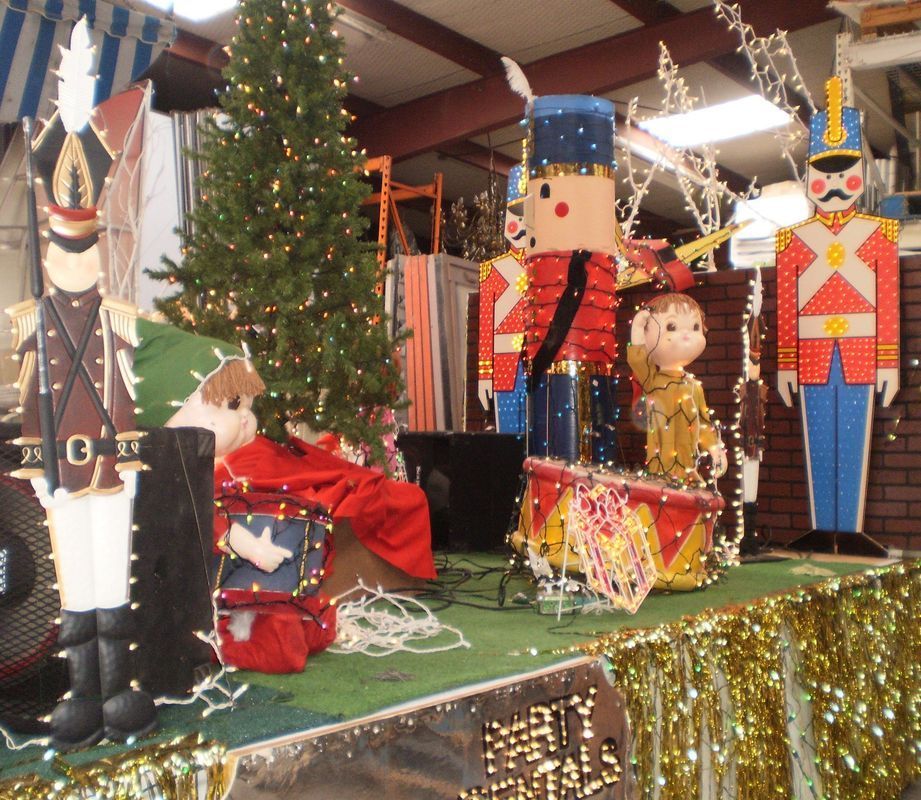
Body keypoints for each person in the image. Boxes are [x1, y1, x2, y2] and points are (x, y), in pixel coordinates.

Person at [133, 320, 436, 672]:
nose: (247, 419)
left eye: (248, 407)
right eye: (232, 405)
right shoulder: (167, 478)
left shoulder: (208, 471)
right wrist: (245, 544)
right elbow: (199, 523)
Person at [776, 76, 899, 535]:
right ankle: (822, 530)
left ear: (860, 174)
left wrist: (890, 362)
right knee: (818, 444)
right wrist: (786, 364)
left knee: (852, 443)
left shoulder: (879, 235)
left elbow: (887, 301)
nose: (831, 184)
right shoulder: (791, 242)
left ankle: (847, 532)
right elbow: (788, 309)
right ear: (809, 177)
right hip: (809, 353)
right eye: (822, 173)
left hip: (863, 349)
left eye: (842, 171)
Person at [627, 293, 727, 485]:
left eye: (695, 327)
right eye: (671, 327)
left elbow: (704, 424)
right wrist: (638, 328)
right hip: (660, 472)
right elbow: (638, 359)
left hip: (689, 471)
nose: (686, 334)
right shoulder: (653, 381)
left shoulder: (694, 387)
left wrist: (715, 449)